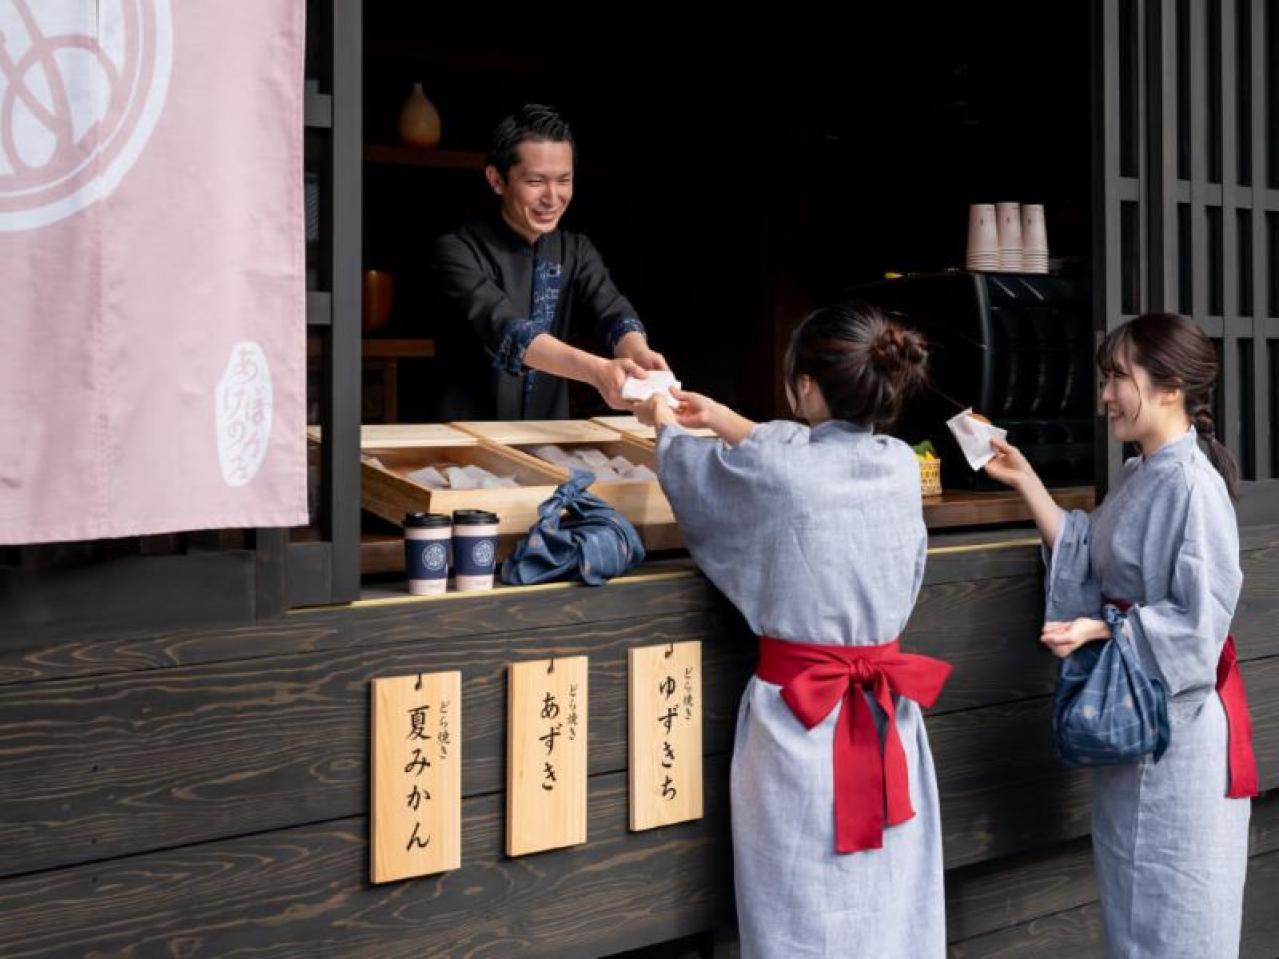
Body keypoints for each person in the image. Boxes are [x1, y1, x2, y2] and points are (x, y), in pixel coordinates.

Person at [634, 301, 950, 957]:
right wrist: (723, 419)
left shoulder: (782, 470)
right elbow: (802, 458)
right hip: (887, 716)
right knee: (887, 900)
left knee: (797, 904)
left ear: (804, 386)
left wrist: (664, 422)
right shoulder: (895, 464)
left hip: (799, 722)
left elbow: (723, 475)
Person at [983, 312, 1256, 958]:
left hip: (1178, 739)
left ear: (1169, 387)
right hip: (1137, 733)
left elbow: (1197, 622)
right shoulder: (1141, 474)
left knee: (1178, 922)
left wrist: (1102, 630)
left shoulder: (1192, 485)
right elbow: (1084, 551)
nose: (1104, 394)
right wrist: (1024, 478)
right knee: (1135, 914)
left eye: (1117, 378)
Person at [429, 103, 667, 420]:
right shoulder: (457, 252)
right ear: (496, 180)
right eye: (535, 182)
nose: (552, 197)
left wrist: (638, 354)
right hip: (464, 444)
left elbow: (613, 312)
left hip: (547, 440)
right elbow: (510, 331)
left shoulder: (577, 250)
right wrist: (598, 371)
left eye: (564, 180)